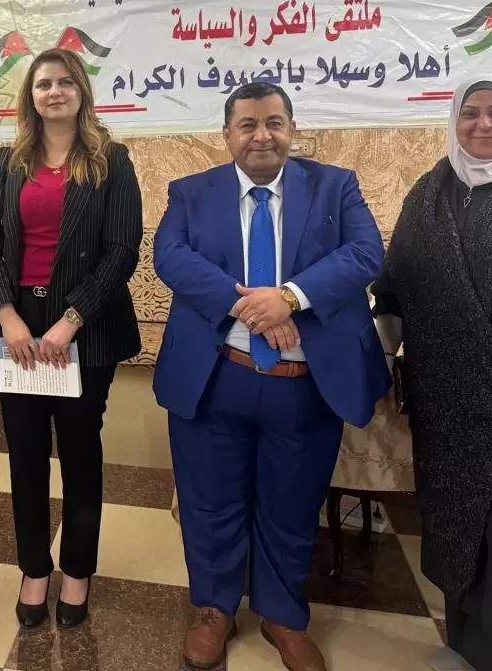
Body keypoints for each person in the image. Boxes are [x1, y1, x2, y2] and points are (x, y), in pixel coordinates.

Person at [153, 81, 387, 671]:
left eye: (274, 123)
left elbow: (365, 253)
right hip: (216, 378)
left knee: (292, 503)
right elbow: (170, 256)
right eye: (248, 125)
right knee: (210, 503)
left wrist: (289, 298)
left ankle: (283, 614)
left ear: (291, 129)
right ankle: (214, 608)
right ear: (227, 134)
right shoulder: (190, 192)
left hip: (304, 385)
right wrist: (251, 306)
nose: (262, 136)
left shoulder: (336, 186)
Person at [372, 75, 492, 671]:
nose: (484, 124)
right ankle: (464, 654)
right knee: (459, 539)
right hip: (446, 408)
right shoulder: (430, 190)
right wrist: (379, 364)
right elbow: (395, 289)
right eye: (471, 113)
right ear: (454, 120)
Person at [0, 47, 143, 629]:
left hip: (84, 331)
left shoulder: (111, 160)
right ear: (31, 96)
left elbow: (121, 251)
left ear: (81, 92)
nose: (54, 92)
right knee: (24, 455)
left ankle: (77, 571)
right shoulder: (8, 161)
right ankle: (33, 569)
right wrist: (7, 315)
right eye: (43, 83)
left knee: (79, 455)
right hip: (18, 329)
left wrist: (71, 320)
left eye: (65, 82)